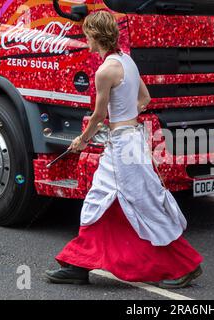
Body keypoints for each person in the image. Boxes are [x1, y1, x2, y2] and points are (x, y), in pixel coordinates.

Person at [45, 11, 203, 288]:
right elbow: (145, 98)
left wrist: (81, 139)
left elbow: (97, 116)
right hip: (132, 139)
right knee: (110, 202)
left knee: (133, 202)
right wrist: (127, 118)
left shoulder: (105, 71)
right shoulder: (128, 61)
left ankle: (184, 264)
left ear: (96, 35)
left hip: (120, 146)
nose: (86, 41)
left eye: (87, 36)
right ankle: (79, 264)